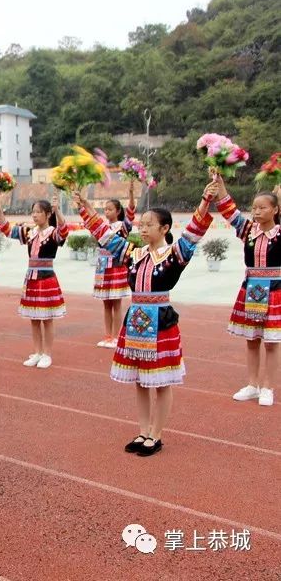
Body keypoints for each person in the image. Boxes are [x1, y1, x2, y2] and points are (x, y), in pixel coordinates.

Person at [72, 182, 216, 456]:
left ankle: (157, 435)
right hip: (136, 321)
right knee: (139, 379)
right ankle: (143, 430)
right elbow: (103, 233)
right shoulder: (133, 255)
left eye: (150, 224)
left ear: (165, 229)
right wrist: (84, 206)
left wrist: (206, 199)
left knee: (161, 381)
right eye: (142, 223)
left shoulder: (176, 254)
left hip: (161, 322)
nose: (143, 227)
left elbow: (196, 230)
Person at [213, 178, 280, 407]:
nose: (257, 211)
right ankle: (252, 385)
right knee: (252, 340)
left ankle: (268, 387)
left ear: (275, 210)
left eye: (263, 207)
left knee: (271, 343)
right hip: (251, 289)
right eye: (254, 207)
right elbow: (228, 210)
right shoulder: (248, 230)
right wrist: (219, 184)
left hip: (275, 291)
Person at [0, 196, 68, 368]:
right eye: (33, 212)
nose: (34, 215)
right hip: (31, 278)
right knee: (34, 318)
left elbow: (64, 231)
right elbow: (7, 230)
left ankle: (47, 354)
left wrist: (59, 211)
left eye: (38, 212)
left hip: (46, 278)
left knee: (47, 318)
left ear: (48, 214)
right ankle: (37, 352)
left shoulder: (53, 233)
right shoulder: (30, 232)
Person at [91, 184, 136, 348]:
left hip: (117, 267)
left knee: (116, 303)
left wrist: (130, 193)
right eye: (105, 209)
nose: (107, 212)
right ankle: (108, 336)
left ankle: (117, 337)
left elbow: (131, 211)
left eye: (110, 209)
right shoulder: (103, 228)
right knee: (106, 303)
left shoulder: (123, 227)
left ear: (118, 211)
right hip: (103, 267)